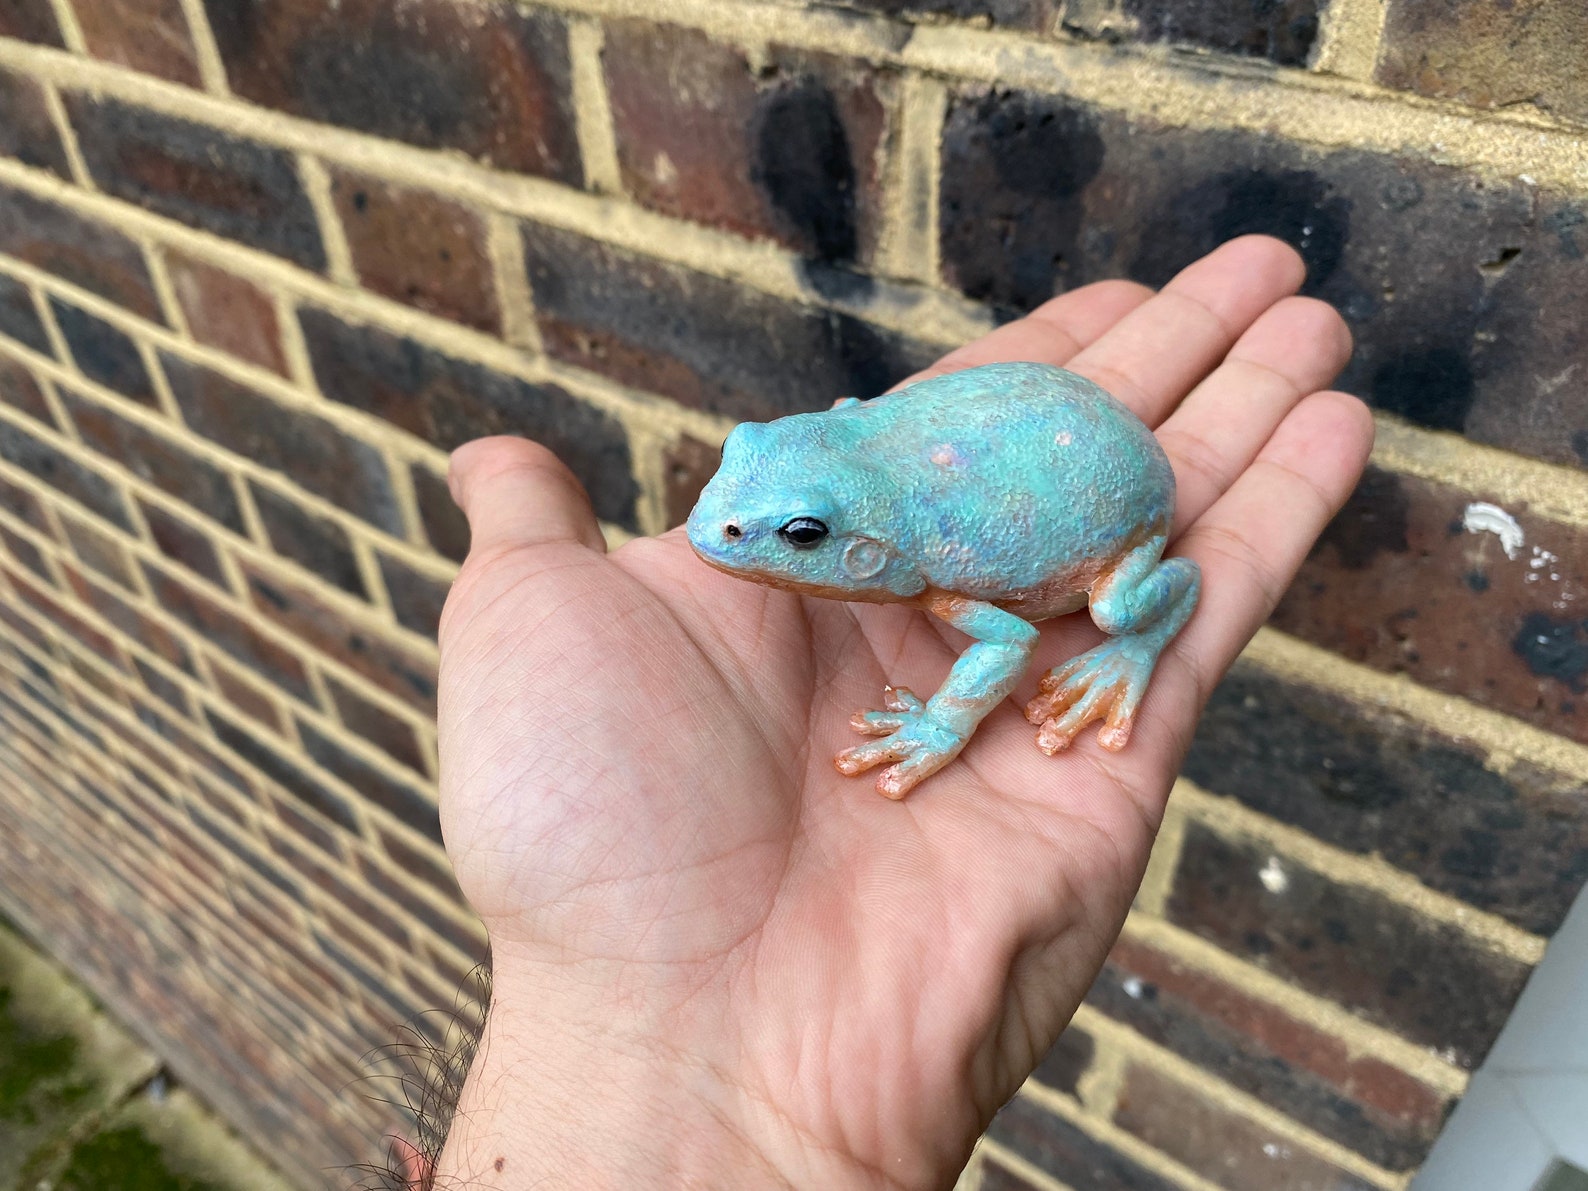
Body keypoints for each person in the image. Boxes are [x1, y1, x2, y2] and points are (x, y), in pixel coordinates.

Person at [424, 236, 1372, 1188]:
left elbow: (1008, 640)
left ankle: (1137, 638)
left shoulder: (942, 579)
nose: (724, 524)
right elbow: (849, 427)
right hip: (1036, 416)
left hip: (1116, 508)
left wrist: (942, 725)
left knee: (1120, 608)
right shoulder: (850, 467)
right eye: (746, 465)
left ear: (856, 549)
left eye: (802, 534)